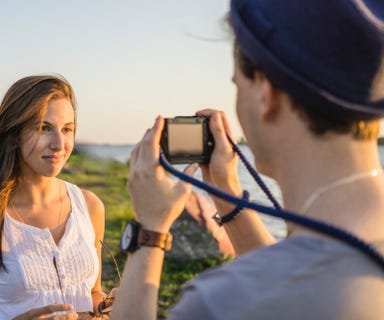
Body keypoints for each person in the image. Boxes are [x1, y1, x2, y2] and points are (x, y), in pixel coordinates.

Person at [111, 0, 384, 319]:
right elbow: (295, 271)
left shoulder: (224, 302)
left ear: (265, 93)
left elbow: (283, 282)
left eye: (237, 85)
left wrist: (150, 230)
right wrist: (225, 190)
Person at [0, 74, 112, 320]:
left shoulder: (90, 207)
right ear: (14, 133)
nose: (60, 144)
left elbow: (91, 292)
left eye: (67, 129)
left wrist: (107, 305)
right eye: (44, 128)